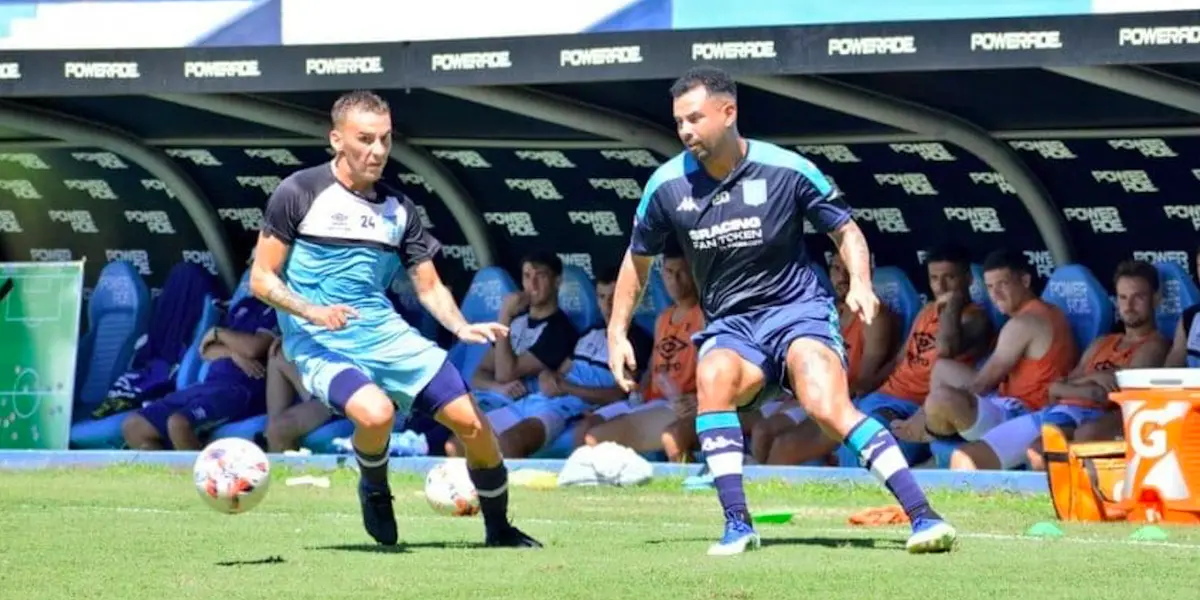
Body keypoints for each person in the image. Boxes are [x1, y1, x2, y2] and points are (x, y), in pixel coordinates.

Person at [607, 66, 955, 556]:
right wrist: (618, 330)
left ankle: (924, 517)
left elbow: (846, 231)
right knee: (714, 376)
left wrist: (859, 281)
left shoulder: (786, 169)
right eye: (679, 122)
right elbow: (637, 260)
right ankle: (737, 526)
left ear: (729, 113)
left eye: (694, 119)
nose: (685, 131)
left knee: (825, 405)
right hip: (732, 325)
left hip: (798, 313)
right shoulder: (666, 185)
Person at [250, 89, 539, 548]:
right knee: (376, 413)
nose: (378, 150)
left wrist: (460, 327)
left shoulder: (400, 209)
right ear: (336, 140)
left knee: (474, 426)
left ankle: (499, 530)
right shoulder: (299, 192)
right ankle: (374, 486)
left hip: (385, 335)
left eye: (385, 139)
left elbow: (428, 285)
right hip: (318, 339)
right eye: (365, 139)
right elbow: (261, 279)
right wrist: (311, 311)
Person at [951, 260, 1168, 470]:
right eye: (1123, 297)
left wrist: (1081, 385)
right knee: (965, 459)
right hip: (1056, 410)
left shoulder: (1154, 345)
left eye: (1138, 297)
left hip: (1089, 418)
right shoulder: (1103, 342)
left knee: (1039, 453)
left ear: (1156, 299)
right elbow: (1055, 389)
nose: (1128, 306)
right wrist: (1092, 379)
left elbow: (1109, 394)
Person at [892, 249, 1077, 448]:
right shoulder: (1048, 310)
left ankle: (932, 430)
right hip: (1009, 397)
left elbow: (982, 384)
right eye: (989, 286)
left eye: (1003, 284)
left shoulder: (1024, 323)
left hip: (1023, 411)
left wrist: (924, 414)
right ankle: (935, 426)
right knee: (943, 368)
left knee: (942, 399)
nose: (995, 294)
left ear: (1025, 281)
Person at [467, 267, 652, 458]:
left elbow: (620, 394)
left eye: (614, 297)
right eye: (602, 297)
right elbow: (561, 371)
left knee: (509, 442)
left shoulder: (636, 341)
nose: (607, 305)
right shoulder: (590, 332)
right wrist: (547, 376)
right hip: (539, 398)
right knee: (463, 439)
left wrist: (567, 388)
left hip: (571, 407)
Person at [751, 252, 902, 465]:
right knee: (757, 430)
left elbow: (863, 382)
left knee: (778, 443)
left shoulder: (873, 316)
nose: (842, 278)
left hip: (840, 400)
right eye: (836, 269)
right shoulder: (826, 310)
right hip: (808, 394)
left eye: (848, 270)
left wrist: (811, 393)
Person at [578, 254, 704, 453]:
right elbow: (654, 366)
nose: (675, 279)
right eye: (670, 272)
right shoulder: (663, 318)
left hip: (682, 403)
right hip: (652, 399)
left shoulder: (705, 315)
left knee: (600, 438)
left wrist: (700, 398)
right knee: (588, 429)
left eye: (682, 272)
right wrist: (638, 389)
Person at [121, 295, 277, 450]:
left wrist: (218, 333)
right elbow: (206, 350)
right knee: (134, 425)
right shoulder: (246, 304)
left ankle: (196, 472)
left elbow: (253, 349)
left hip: (242, 389)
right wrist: (233, 353)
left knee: (178, 423)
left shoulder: (277, 309)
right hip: (210, 385)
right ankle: (166, 474)